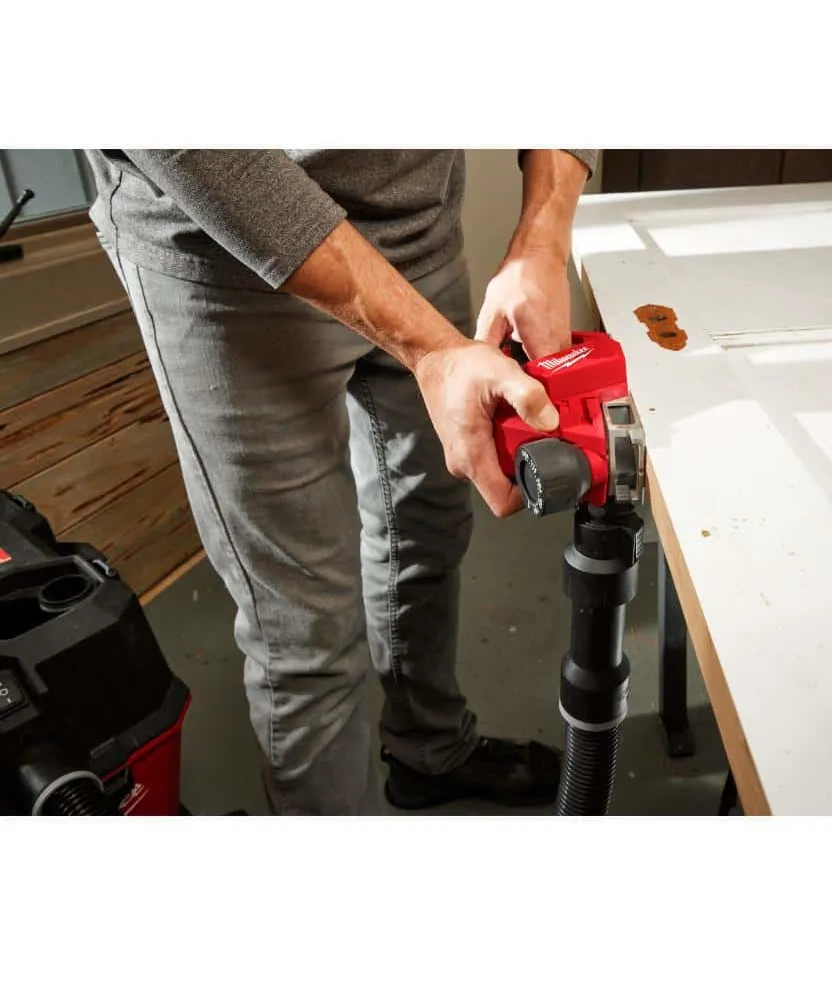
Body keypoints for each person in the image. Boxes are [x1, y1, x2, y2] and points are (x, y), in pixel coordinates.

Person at [83, 149, 600, 815]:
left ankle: (429, 751)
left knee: (428, 533)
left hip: (418, 238)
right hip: (227, 255)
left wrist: (541, 239)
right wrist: (433, 350)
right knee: (304, 631)